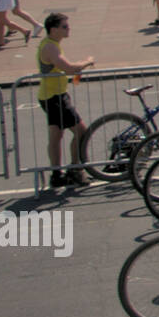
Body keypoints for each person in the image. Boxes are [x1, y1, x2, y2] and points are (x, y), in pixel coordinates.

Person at [37, 13, 95, 189]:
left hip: (51, 94)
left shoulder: (52, 44)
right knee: (82, 131)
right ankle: (75, 169)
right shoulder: (50, 47)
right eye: (64, 26)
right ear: (53, 29)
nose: (68, 29)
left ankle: (56, 175)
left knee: (56, 135)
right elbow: (69, 68)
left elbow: (64, 66)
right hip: (55, 97)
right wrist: (87, 62)